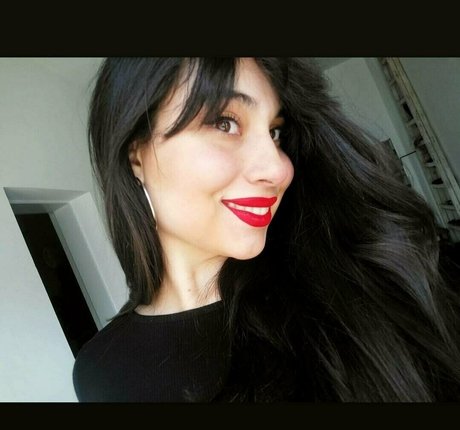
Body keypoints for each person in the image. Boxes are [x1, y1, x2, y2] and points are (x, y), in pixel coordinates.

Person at [73, 57, 460, 402]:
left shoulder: (354, 287)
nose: (278, 169)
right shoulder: (103, 372)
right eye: (225, 123)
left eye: (274, 132)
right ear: (136, 155)